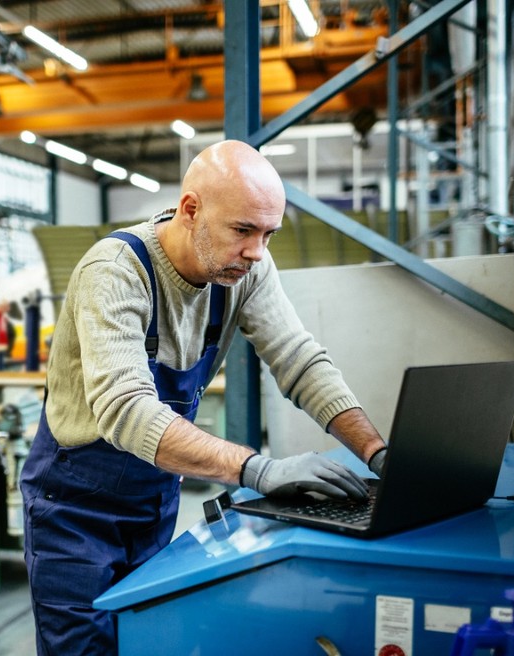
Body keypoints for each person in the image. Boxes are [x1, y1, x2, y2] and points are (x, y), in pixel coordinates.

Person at [19, 139, 388, 655]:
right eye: (243, 230)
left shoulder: (243, 270)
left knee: (148, 642)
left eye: (268, 234)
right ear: (190, 210)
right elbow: (127, 412)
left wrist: (378, 453)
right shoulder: (115, 271)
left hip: (152, 502)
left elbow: (299, 360)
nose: (257, 251)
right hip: (74, 514)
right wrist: (258, 469)